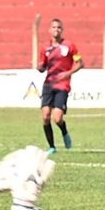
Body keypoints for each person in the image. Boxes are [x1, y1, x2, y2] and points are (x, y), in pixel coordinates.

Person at [37, 18, 84, 154]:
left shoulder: (69, 46)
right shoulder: (45, 48)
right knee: (45, 116)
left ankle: (64, 131)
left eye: (58, 27)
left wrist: (68, 73)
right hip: (48, 84)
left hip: (62, 85)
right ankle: (52, 147)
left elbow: (80, 63)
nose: (56, 30)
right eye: (53, 27)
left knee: (57, 118)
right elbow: (43, 66)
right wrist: (40, 67)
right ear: (49, 30)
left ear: (61, 30)